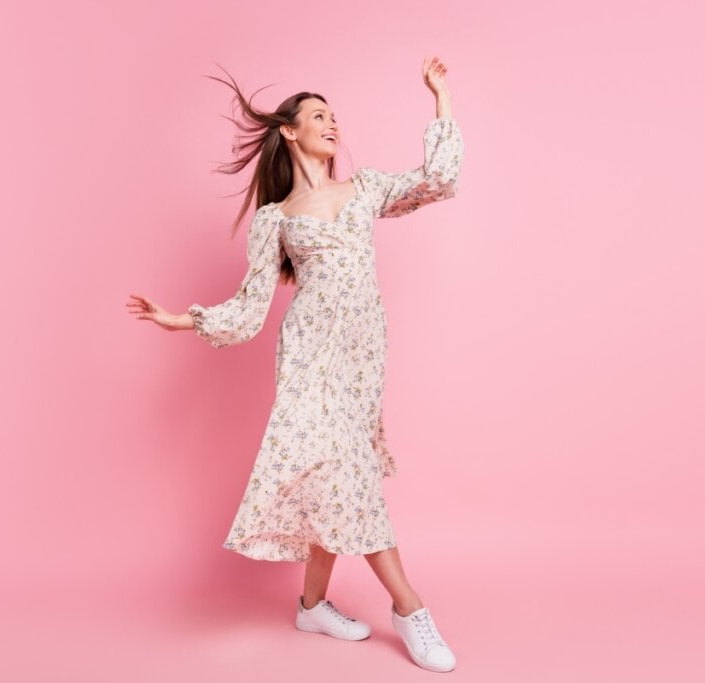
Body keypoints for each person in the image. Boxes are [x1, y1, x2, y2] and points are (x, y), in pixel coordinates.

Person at [127, 56, 464, 673]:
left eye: (335, 117)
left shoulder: (365, 189)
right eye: (318, 116)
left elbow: (439, 180)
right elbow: (252, 307)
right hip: (308, 357)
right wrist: (184, 318)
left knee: (330, 478)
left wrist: (439, 98)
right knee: (345, 473)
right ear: (290, 131)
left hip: (359, 360)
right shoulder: (274, 219)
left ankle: (311, 605)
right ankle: (411, 608)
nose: (333, 124)